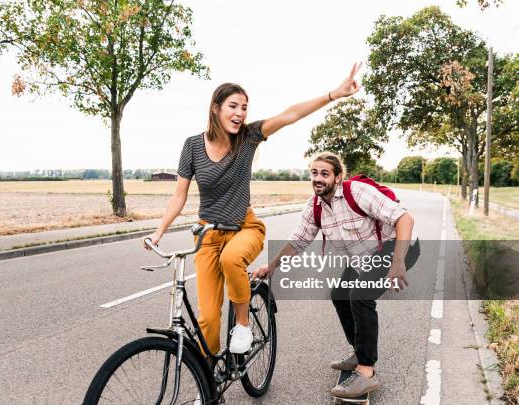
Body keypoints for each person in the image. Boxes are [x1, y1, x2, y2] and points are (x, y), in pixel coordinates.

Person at [143, 64, 362, 357]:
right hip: (208, 234)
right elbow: (179, 195)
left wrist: (334, 94)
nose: (240, 113)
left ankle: (243, 325)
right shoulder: (193, 145)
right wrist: (158, 233)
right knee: (208, 319)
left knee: (233, 259)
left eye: (244, 108)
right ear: (216, 108)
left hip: (244, 227)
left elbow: (289, 115)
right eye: (233, 106)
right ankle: (208, 383)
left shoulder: (248, 137)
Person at [251, 152, 415, 398]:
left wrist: (398, 261)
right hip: (366, 258)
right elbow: (298, 241)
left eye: (324, 174)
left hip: (397, 248)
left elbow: (405, 218)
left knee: (360, 296)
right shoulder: (315, 206)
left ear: (338, 177)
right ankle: (360, 352)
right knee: (339, 294)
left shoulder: (356, 192)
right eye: (314, 173)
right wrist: (272, 265)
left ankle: (366, 372)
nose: (318, 178)